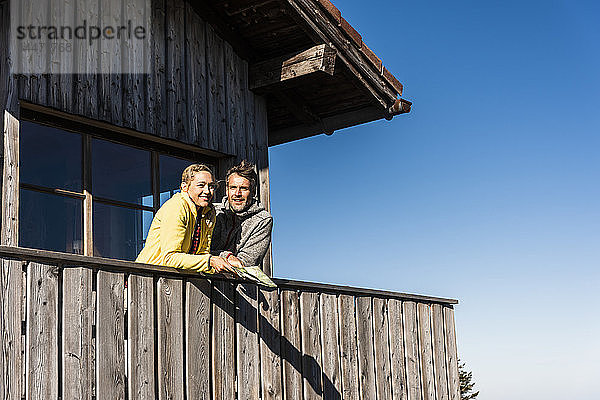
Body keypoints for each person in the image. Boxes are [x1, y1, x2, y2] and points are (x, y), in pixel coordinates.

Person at [136, 163, 237, 275]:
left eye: (211, 186)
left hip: (177, 280)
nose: (208, 191)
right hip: (147, 277)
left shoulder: (208, 212)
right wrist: (210, 261)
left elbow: (202, 254)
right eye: (201, 185)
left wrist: (225, 262)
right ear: (184, 187)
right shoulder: (177, 207)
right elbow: (170, 258)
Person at [211, 160, 273, 270]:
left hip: (239, 285)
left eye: (244, 188)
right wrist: (228, 256)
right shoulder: (213, 212)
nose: (237, 194)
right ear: (227, 190)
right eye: (233, 187)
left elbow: (245, 262)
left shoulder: (262, 220)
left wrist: (212, 257)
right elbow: (197, 251)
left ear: (253, 192)